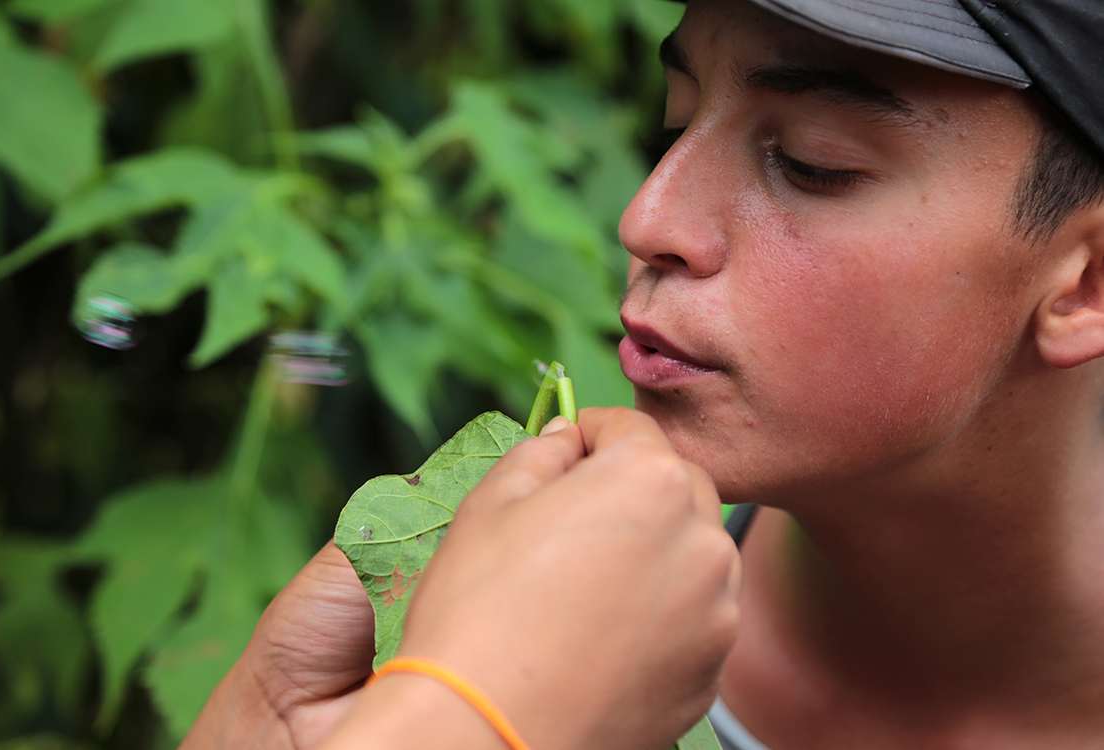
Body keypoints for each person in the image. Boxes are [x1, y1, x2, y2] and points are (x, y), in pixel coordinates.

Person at [183, 0, 1104, 748]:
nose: (645, 217)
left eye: (809, 163)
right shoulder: (442, 631)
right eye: (674, 120)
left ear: (1086, 283)